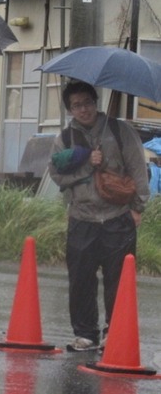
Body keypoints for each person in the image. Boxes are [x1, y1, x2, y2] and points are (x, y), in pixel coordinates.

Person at [48, 81, 149, 352]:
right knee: (81, 278)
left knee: (119, 279)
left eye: (88, 103)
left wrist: (137, 208)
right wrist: (86, 165)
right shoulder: (65, 139)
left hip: (117, 216)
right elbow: (57, 175)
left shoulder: (119, 131)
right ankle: (85, 333)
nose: (84, 109)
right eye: (77, 105)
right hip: (82, 217)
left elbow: (138, 170)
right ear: (70, 109)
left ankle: (113, 331)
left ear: (97, 102)